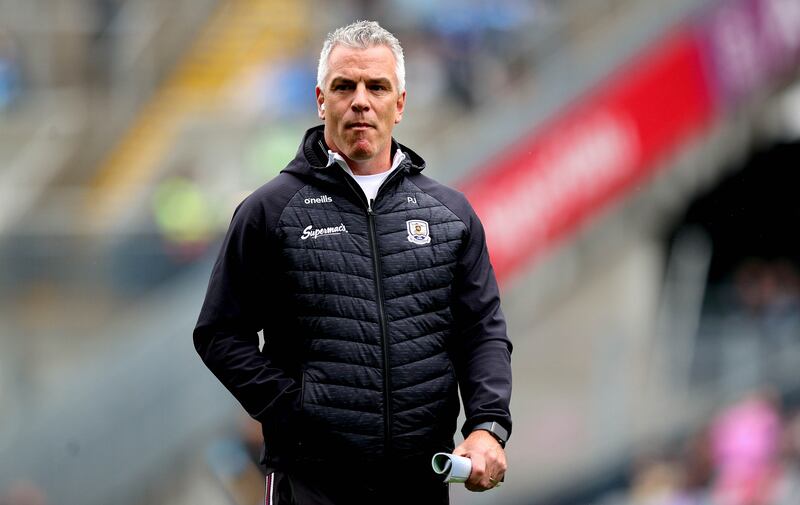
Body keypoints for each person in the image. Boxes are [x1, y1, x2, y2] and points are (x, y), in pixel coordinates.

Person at [194, 20, 512, 504]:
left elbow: (482, 330)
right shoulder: (270, 211)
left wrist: (488, 425)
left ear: (399, 103)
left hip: (419, 483)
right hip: (311, 483)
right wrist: (295, 411)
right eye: (345, 86)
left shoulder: (450, 215)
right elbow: (219, 334)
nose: (360, 100)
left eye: (377, 86)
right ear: (322, 99)